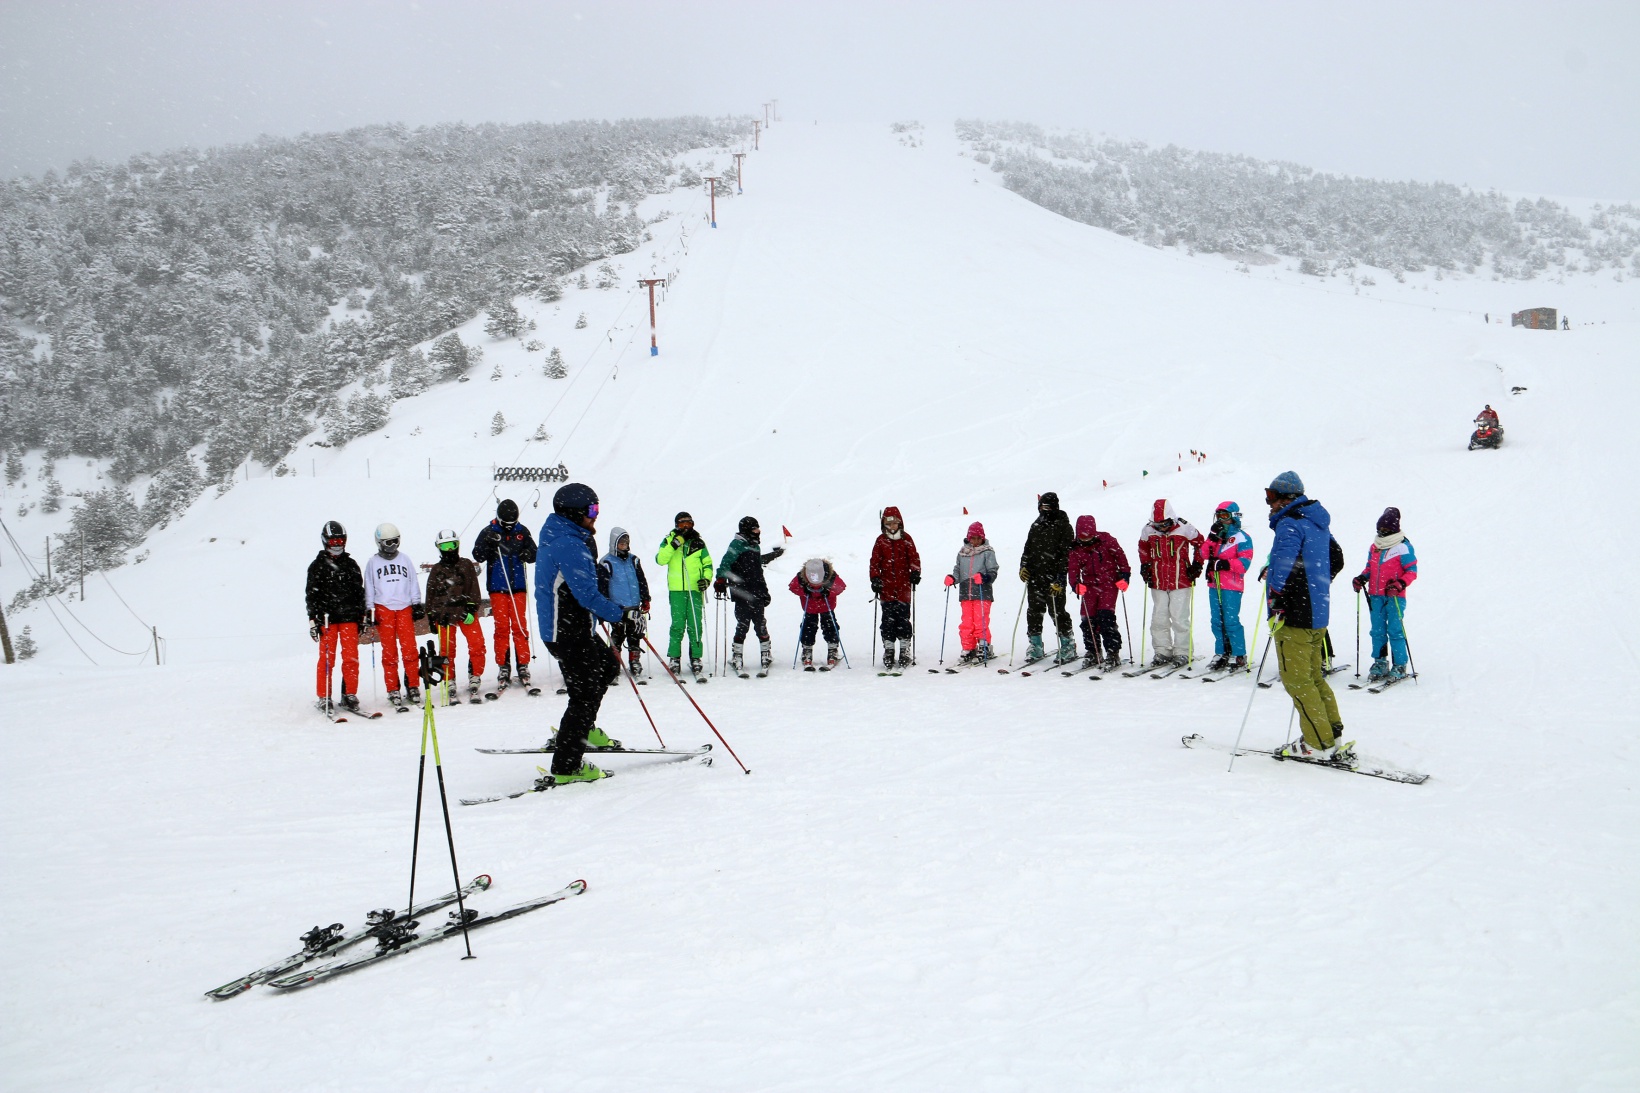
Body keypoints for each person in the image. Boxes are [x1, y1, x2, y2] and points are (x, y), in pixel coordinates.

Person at [535, 482, 635, 783]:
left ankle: (584, 730)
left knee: (606, 667)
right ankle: (567, 765)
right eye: (592, 510)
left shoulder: (565, 535)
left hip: (574, 627)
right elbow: (586, 595)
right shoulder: (569, 544)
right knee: (585, 694)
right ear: (574, 513)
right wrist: (621, 615)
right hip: (565, 632)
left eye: (597, 509)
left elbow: (585, 591)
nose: (596, 516)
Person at [1264, 471, 1351, 762]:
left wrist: (1279, 598)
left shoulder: (1290, 524)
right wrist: (1315, 584)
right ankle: (1331, 733)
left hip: (1294, 617)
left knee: (1297, 681)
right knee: (1313, 677)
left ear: (1286, 497)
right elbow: (1336, 558)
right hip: (1317, 612)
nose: (1269, 504)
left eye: (1271, 497)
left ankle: (1318, 742)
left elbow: (1285, 567)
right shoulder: (1317, 523)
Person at [472, 499, 538, 692]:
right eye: (506, 524)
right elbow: (478, 555)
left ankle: (523, 664)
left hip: (517, 586)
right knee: (501, 627)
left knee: (519, 625)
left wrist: (527, 553)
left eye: (512, 524)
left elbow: (534, 552)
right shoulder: (488, 532)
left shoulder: (521, 531)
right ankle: (503, 665)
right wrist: (489, 545)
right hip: (497, 586)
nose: (510, 527)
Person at [305, 520, 367, 712]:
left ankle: (349, 694)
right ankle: (324, 696)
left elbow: (359, 592)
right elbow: (311, 595)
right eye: (333, 541)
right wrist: (312, 620)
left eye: (340, 540)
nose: (337, 544)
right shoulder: (317, 566)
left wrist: (362, 616)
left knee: (351, 658)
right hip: (327, 619)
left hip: (349, 618)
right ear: (325, 541)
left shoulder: (350, 564)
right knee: (326, 659)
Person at [1352, 507, 1418, 682]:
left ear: (1394, 529)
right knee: (1377, 630)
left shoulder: (1403, 546)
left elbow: (1412, 570)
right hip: (1376, 595)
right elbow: (1370, 568)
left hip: (1395, 596)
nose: (1382, 533)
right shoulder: (1375, 547)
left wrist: (1400, 583)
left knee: (1395, 630)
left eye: (1385, 530)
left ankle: (1400, 664)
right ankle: (1380, 662)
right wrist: (1362, 578)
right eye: (1380, 529)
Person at [363, 522, 425, 707]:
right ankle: (393, 689)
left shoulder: (404, 559)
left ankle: (413, 685)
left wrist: (416, 603)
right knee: (389, 652)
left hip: (404, 608)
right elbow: (369, 587)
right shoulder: (373, 563)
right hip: (384, 609)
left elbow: (413, 581)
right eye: (387, 543)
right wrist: (369, 609)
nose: (391, 546)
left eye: (394, 542)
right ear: (379, 543)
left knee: (409, 650)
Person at [1137, 499, 1204, 668]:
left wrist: (1197, 565)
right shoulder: (1148, 530)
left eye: (1165, 524)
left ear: (1172, 519)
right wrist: (1145, 566)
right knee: (1158, 618)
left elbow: (1201, 544)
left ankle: (1183, 652)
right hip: (1158, 580)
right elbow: (1143, 548)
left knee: (1179, 618)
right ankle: (1162, 650)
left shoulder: (1184, 527)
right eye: (1158, 525)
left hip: (1180, 579)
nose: (1162, 528)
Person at [715, 516, 784, 674]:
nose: (758, 532)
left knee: (760, 624)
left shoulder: (755, 546)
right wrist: (720, 579)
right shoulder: (737, 544)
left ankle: (766, 654)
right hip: (741, 591)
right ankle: (737, 656)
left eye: (758, 529)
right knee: (743, 624)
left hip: (756, 591)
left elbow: (758, 572)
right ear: (747, 530)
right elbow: (725, 563)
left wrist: (764, 591)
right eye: (755, 529)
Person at [424, 529, 485, 702]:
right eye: (445, 546)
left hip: (465, 612)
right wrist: (432, 616)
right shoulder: (437, 570)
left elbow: (473, 588)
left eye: (452, 545)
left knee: (477, 644)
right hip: (445, 615)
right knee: (447, 650)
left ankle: (475, 675)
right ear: (439, 548)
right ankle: (449, 679)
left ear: (457, 545)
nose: (449, 550)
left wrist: (472, 609)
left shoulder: (465, 565)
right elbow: (431, 595)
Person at [1066, 515, 1130, 671]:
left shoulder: (1107, 540)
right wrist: (1075, 585)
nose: (1085, 540)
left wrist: (1125, 576)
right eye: (1082, 537)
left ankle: (1112, 652)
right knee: (1087, 621)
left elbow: (1121, 558)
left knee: (1106, 618)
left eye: (1088, 537)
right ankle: (1093, 651)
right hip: (1089, 586)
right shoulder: (1075, 548)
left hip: (1108, 584)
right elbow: (1073, 569)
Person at [655, 512, 714, 677]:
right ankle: (674, 657)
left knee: (695, 624)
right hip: (677, 590)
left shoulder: (698, 542)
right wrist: (674, 544)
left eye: (689, 524)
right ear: (676, 525)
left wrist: (706, 579)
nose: (686, 527)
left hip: (694, 589)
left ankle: (696, 657)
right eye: (682, 524)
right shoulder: (669, 541)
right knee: (678, 625)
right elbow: (660, 559)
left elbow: (708, 564)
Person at [1019, 492, 1076, 663]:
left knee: (1057, 611)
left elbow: (1067, 555)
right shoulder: (1036, 525)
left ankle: (1067, 644)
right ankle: (1035, 644)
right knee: (1034, 610)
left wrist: (1060, 578)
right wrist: (1024, 566)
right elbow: (1028, 549)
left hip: (1054, 576)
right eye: (1042, 507)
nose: (1045, 511)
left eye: (1048, 507)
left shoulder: (1063, 526)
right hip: (1036, 576)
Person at [1202, 502, 1255, 673]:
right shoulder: (1216, 537)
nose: (1222, 520)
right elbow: (1202, 554)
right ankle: (1222, 652)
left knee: (1230, 619)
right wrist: (1211, 538)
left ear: (1233, 516)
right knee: (1216, 620)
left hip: (1231, 585)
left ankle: (1239, 654)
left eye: (1225, 516)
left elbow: (1244, 564)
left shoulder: (1242, 537)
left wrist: (1225, 563)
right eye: (1219, 516)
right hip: (1214, 583)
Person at [869, 506, 921, 670]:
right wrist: (875, 578)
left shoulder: (906, 539)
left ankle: (904, 648)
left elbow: (914, 557)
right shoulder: (880, 540)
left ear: (900, 523)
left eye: (895, 523)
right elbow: (875, 562)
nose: (892, 526)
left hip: (903, 587)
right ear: (884, 524)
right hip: (887, 588)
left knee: (903, 620)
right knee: (888, 621)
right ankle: (889, 649)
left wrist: (915, 572)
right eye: (888, 523)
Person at [596, 527, 652, 679]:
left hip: (633, 605)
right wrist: (605, 605)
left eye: (626, 543)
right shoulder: (606, 562)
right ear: (614, 543)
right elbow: (602, 586)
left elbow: (641, 580)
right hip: (617, 607)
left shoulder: (633, 560)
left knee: (635, 633)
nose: (624, 545)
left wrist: (645, 598)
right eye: (621, 543)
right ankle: (614, 662)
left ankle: (634, 661)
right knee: (618, 634)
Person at [948, 521, 999, 663]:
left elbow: (993, 571)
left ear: (982, 538)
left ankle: (984, 645)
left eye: (978, 538)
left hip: (982, 593)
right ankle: (968, 647)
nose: (975, 541)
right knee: (966, 622)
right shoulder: (962, 553)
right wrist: (953, 578)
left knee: (980, 620)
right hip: (966, 593)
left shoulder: (987, 552)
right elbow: (958, 570)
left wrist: (985, 577)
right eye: (973, 538)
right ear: (968, 538)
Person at [789, 557, 846, 668]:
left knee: (830, 627)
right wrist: (805, 591)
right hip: (810, 607)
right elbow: (793, 586)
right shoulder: (802, 577)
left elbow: (841, 586)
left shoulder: (830, 575)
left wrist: (828, 591)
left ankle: (832, 650)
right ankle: (807, 651)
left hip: (826, 606)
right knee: (808, 628)